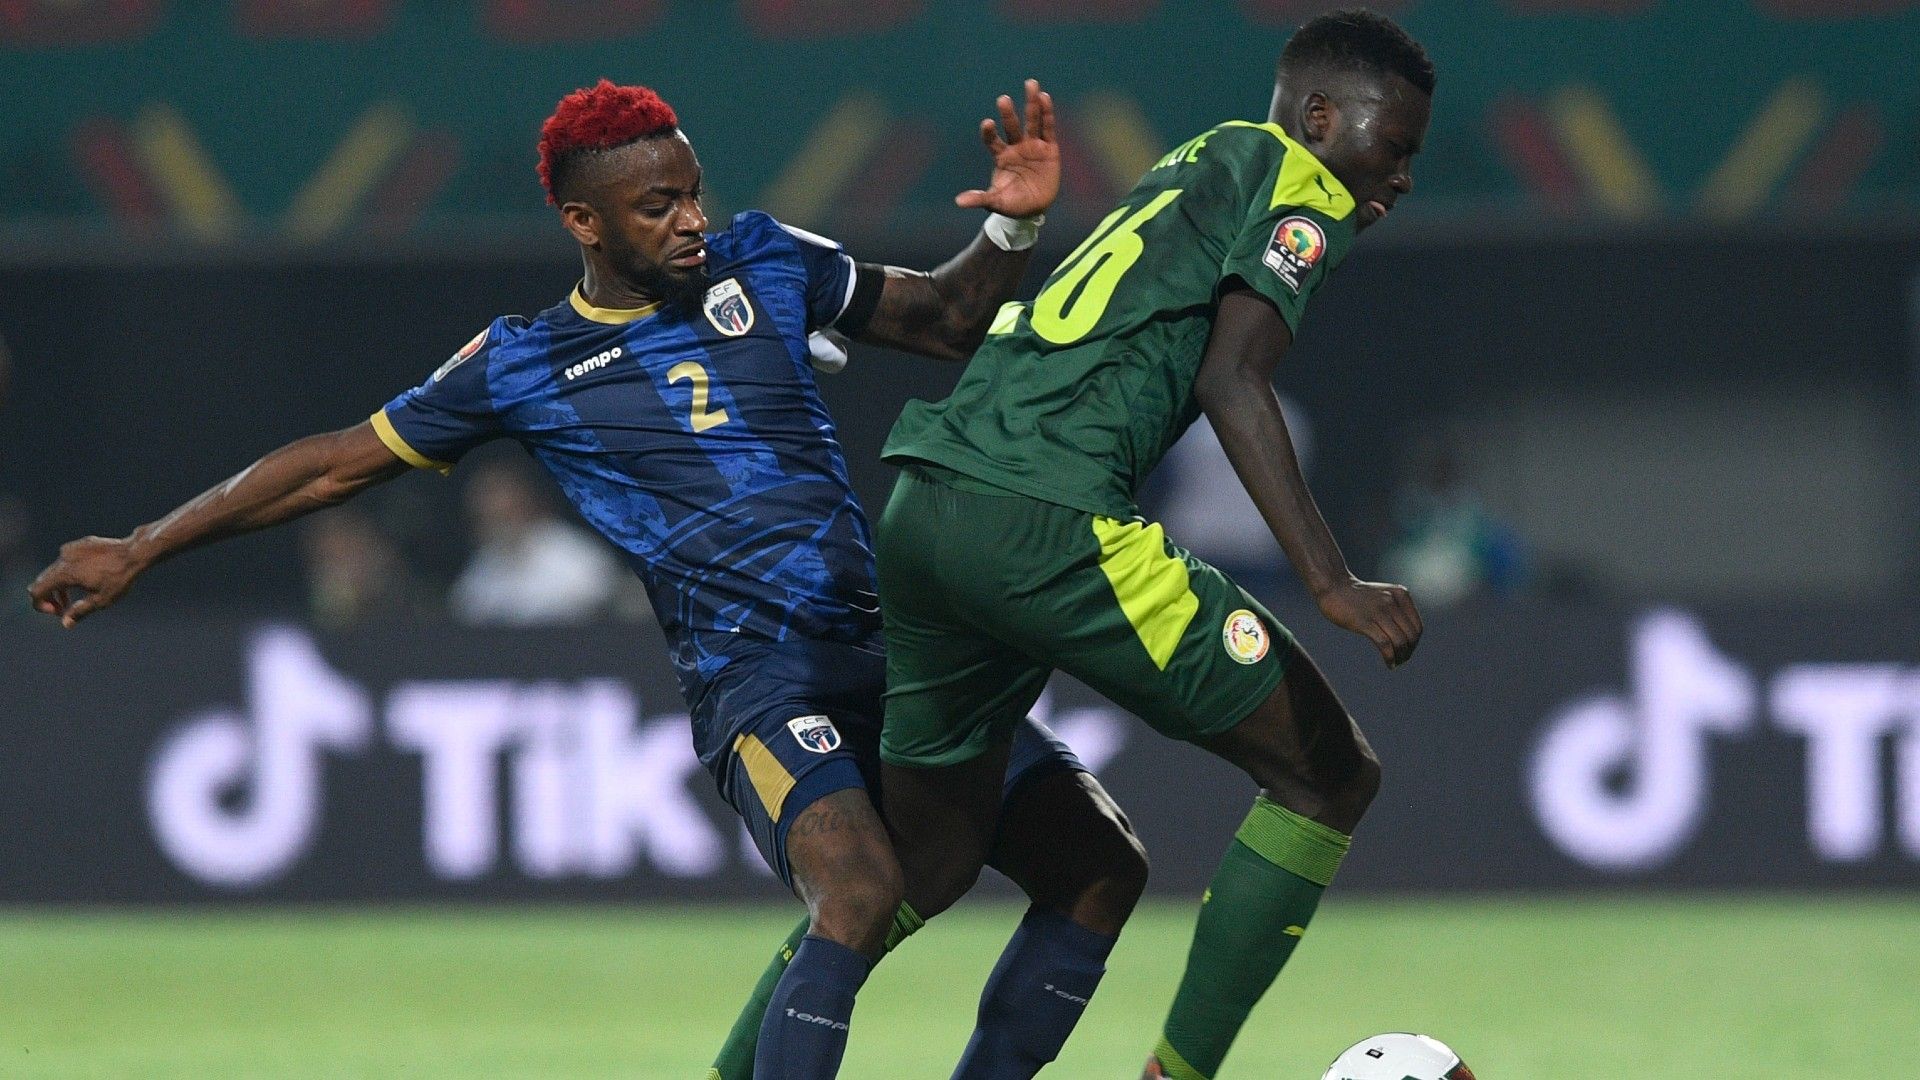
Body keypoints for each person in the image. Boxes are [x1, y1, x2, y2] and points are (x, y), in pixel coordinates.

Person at [28, 79, 1147, 1080]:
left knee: (1102, 864)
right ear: (583, 221)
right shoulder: (520, 362)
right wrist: (144, 543)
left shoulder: (763, 259)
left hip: (892, 648)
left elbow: (949, 320)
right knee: (854, 896)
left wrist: (1014, 218)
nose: (692, 219)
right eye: (658, 205)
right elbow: (331, 466)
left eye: (693, 192)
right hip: (759, 683)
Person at [868, 11, 1433, 1079]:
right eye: (1391, 145)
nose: (1399, 176)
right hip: (1046, 519)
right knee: (1330, 776)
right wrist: (1332, 581)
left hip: (929, 501)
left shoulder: (1202, 155)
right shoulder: (1303, 188)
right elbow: (1234, 377)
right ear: (1320, 117)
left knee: (911, 870)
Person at [449, 458, 631, 625]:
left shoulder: (575, 556)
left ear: (523, 508)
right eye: (484, 519)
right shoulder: (482, 569)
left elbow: (599, 599)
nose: (494, 527)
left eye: (502, 516)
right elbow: (466, 610)